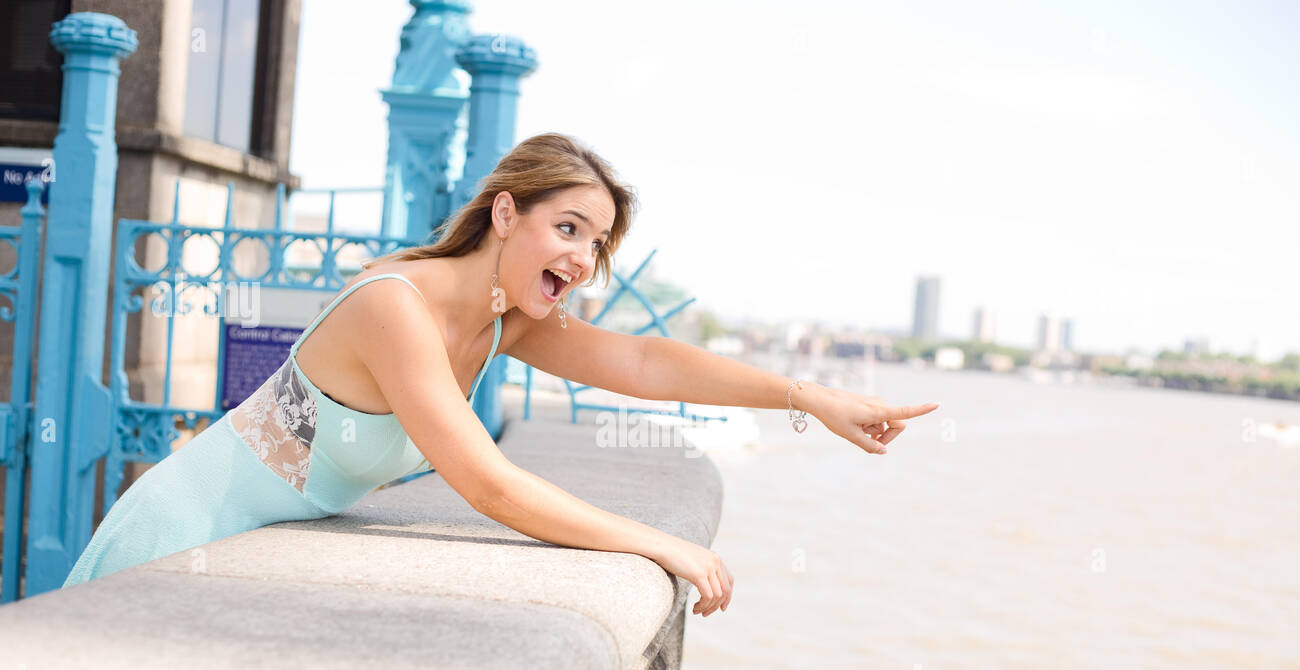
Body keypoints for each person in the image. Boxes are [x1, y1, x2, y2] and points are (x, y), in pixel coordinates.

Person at [62, 132, 939, 616]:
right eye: (569, 229)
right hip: (178, 536)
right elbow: (490, 486)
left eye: (596, 245)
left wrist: (804, 394)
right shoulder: (392, 305)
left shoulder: (500, 319)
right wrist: (659, 541)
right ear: (507, 213)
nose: (583, 258)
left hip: (242, 564)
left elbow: (640, 360)